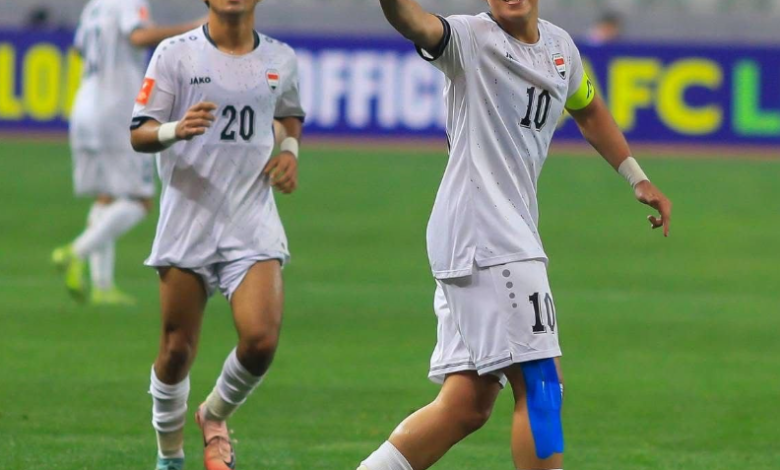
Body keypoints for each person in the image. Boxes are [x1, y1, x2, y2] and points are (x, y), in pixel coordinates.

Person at [357, 1, 672, 470]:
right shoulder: (468, 39)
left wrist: (637, 177)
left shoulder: (560, 49)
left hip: (486, 235)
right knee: (543, 386)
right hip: (487, 234)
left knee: (466, 404)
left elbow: (588, 109)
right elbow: (413, 22)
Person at [129, 0, 304, 468]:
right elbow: (140, 132)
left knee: (261, 341)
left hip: (251, 220)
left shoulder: (280, 58)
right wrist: (175, 129)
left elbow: (289, 113)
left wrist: (289, 151)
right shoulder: (175, 54)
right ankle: (170, 456)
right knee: (176, 350)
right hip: (188, 221)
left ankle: (214, 414)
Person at [52, 0, 205, 305]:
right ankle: (75, 252)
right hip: (117, 108)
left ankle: (102, 286)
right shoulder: (130, 3)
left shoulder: (94, 7)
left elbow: (81, 49)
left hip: (84, 104)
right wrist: (191, 28)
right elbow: (137, 36)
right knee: (139, 200)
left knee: (107, 196)